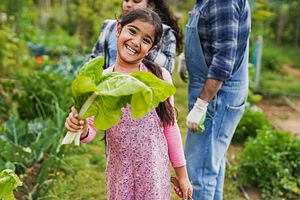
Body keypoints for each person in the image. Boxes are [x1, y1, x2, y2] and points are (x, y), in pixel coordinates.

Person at [65, 9, 192, 200]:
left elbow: (170, 127)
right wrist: (81, 128)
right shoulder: (101, 82)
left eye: (146, 40)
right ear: (118, 29)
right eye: (132, 31)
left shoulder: (158, 78)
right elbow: (90, 130)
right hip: (119, 172)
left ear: (152, 48)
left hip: (153, 171)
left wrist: (182, 175)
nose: (135, 42)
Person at [179, 0, 251, 199]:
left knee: (198, 174)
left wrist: (202, 103)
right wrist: (187, 56)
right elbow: (214, 36)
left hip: (216, 97)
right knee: (211, 166)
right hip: (216, 92)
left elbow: (224, 60)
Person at [89, 0, 183, 74]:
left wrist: (146, 44)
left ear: (151, 5)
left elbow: (168, 68)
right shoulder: (109, 27)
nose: (129, 4)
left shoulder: (166, 33)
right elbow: (94, 60)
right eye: (126, 0)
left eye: (136, 1)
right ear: (119, 29)